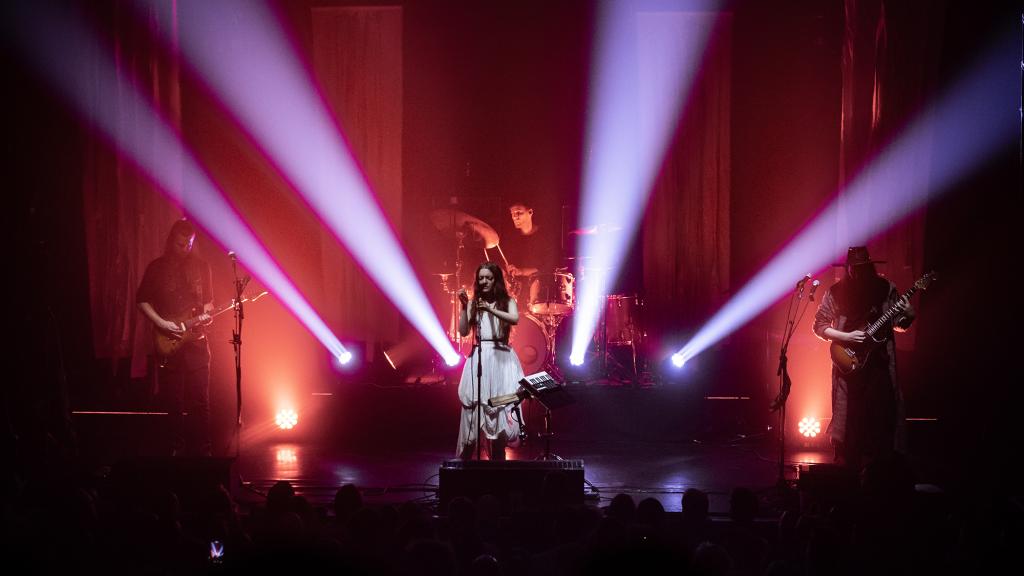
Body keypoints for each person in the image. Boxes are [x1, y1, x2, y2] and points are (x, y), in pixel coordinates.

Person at [812, 246, 915, 470]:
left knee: (881, 419)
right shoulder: (836, 292)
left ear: (869, 267)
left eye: (860, 268)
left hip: (879, 365)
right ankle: (849, 471)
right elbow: (819, 326)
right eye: (852, 268)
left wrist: (909, 315)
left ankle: (880, 474)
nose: (855, 273)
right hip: (849, 367)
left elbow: (899, 324)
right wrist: (846, 335)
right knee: (851, 423)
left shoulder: (886, 289)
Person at [137, 218, 213, 457]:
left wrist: (208, 315)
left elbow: (208, 303)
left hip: (197, 343)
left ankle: (202, 449)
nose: (185, 249)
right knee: (174, 402)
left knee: (201, 401)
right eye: (181, 244)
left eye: (189, 244)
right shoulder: (157, 267)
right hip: (168, 341)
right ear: (172, 242)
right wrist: (161, 323)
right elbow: (142, 300)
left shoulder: (203, 268)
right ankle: (174, 449)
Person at [455, 262, 523, 460]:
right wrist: (464, 306)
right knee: (475, 407)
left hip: (501, 356)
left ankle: (498, 461)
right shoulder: (474, 303)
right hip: (480, 355)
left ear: (496, 280)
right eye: (481, 277)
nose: (483, 281)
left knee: (500, 405)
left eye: (488, 278)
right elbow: (463, 331)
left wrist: (490, 310)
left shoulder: (507, 301)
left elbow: (514, 318)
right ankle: (467, 468)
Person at [499, 201, 561, 306]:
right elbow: (506, 265)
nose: (515, 217)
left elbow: (548, 268)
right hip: (517, 291)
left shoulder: (545, 237)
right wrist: (507, 271)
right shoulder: (511, 239)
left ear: (530, 212)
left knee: (535, 281)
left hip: (542, 288)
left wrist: (522, 271)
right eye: (512, 214)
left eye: (519, 213)